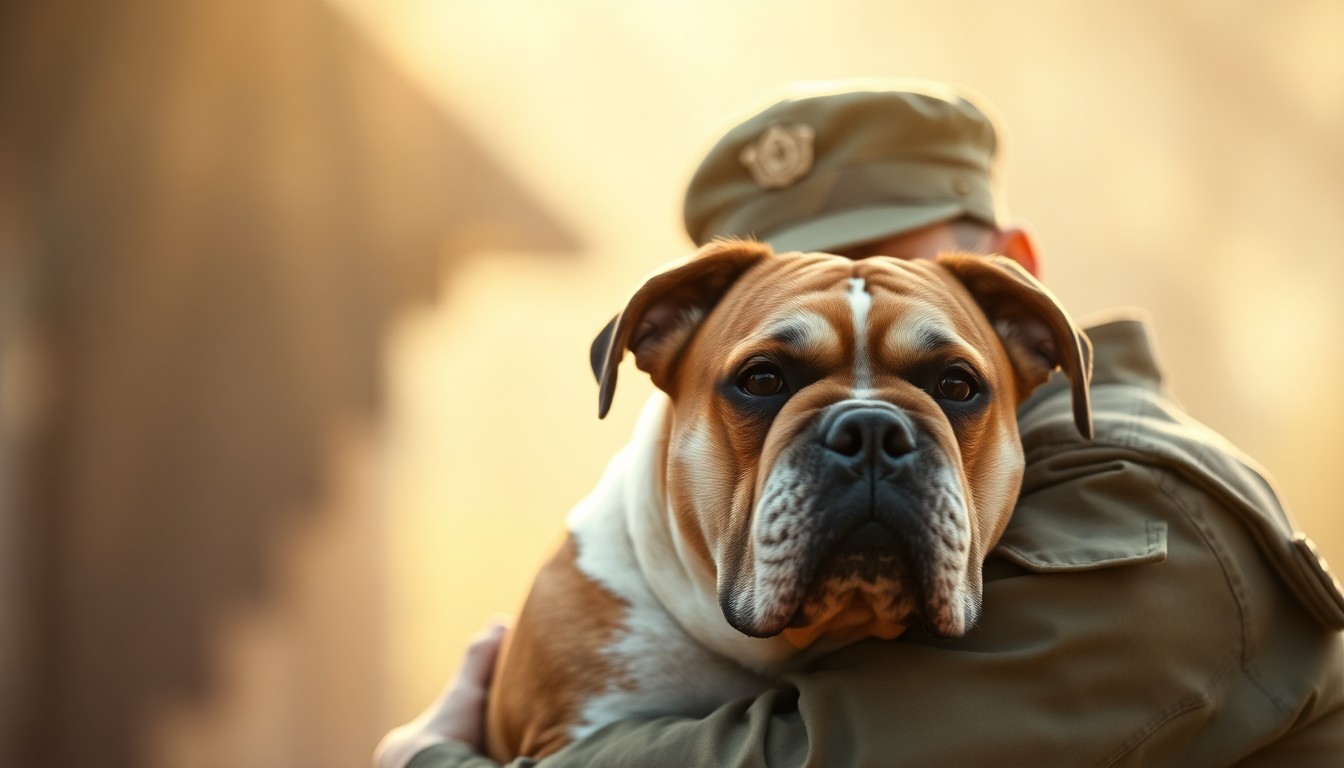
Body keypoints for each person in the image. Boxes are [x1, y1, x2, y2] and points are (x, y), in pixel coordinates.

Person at [376, 80, 1344, 767]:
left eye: (892, 276)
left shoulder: (1153, 511)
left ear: (1016, 281)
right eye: (768, 369)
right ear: (678, 337)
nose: (865, 426)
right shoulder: (619, 562)